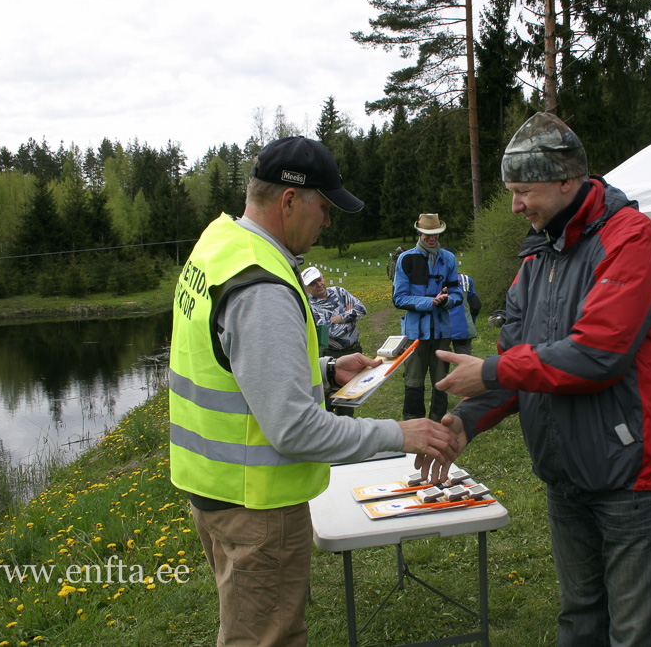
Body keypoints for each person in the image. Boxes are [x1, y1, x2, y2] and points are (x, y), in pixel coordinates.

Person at [168, 136, 458, 646]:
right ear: (288, 200)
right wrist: (401, 433)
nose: (327, 221)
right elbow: (295, 429)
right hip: (257, 508)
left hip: (215, 493)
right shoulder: (262, 283)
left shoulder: (218, 246)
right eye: (323, 207)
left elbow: (231, 361)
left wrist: (325, 370)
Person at [424, 112, 651, 646]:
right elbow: (518, 357)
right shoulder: (538, 253)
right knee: (580, 618)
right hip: (566, 472)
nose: (516, 205)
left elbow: (597, 353)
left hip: (632, 476)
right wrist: (467, 421)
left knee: (638, 633)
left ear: (568, 180)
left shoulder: (631, 240)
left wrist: (492, 371)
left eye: (524, 191)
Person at [392, 213, 463, 421]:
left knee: (441, 382)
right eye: (427, 235)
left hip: (442, 331)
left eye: (436, 235)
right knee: (413, 381)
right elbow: (399, 298)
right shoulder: (406, 259)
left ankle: (439, 422)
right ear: (419, 233)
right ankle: (413, 423)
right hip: (415, 333)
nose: (432, 239)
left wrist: (447, 301)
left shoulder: (448, 258)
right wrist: (429, 302)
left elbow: (457, 293)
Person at [302, 265, 367, 416]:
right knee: (332, 395)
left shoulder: (339, 291)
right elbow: (332, 332)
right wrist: (351, 317)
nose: (319, 284)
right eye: (313, 283)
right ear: (306, 288)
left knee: (350, 395)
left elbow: (362, 309)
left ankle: (347, 426)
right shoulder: (311, 307)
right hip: (332, 354)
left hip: (354, 350)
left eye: (319, 280)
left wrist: (341, 317)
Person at [449, 274, 481, 356]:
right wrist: (471, 322)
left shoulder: (434, 279)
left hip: (440, 328)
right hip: (462, 327)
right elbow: (476, 305)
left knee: (440, 362)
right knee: (464, 361)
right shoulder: (465, 279)